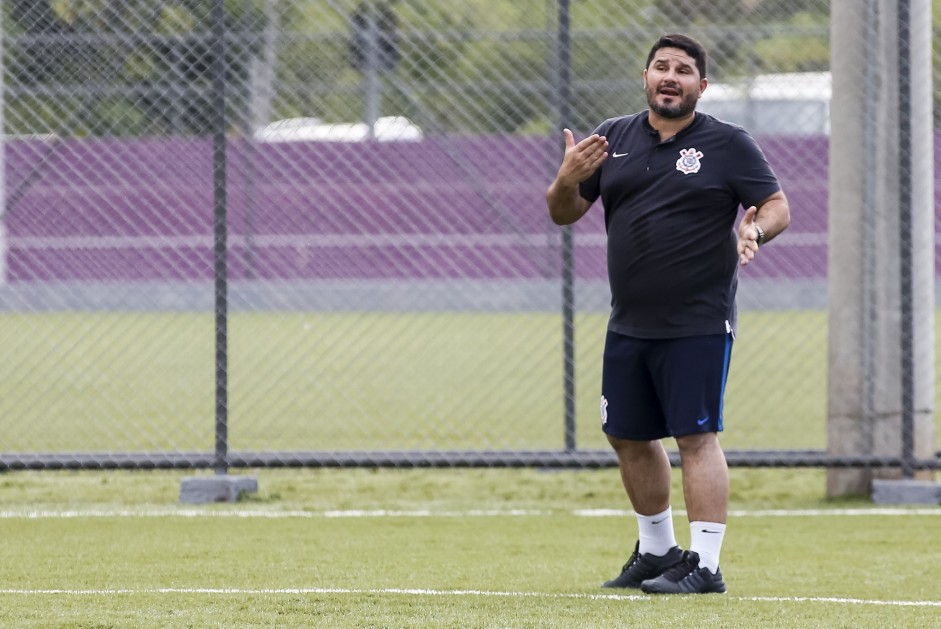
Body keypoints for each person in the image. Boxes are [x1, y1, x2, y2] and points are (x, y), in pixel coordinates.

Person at [546, 33, 790, 594]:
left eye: (684, 70)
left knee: (695, 437)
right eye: (661, 67)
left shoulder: (728, 144)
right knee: (628, 435)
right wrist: (565, 177)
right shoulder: (612, 137)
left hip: (698, 320)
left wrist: (754, 228)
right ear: (646, 77)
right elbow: (564, 213)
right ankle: (657, 551)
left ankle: (704, 564)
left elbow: (777, 205)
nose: (670, 77)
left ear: (701, 87)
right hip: (629, 320)